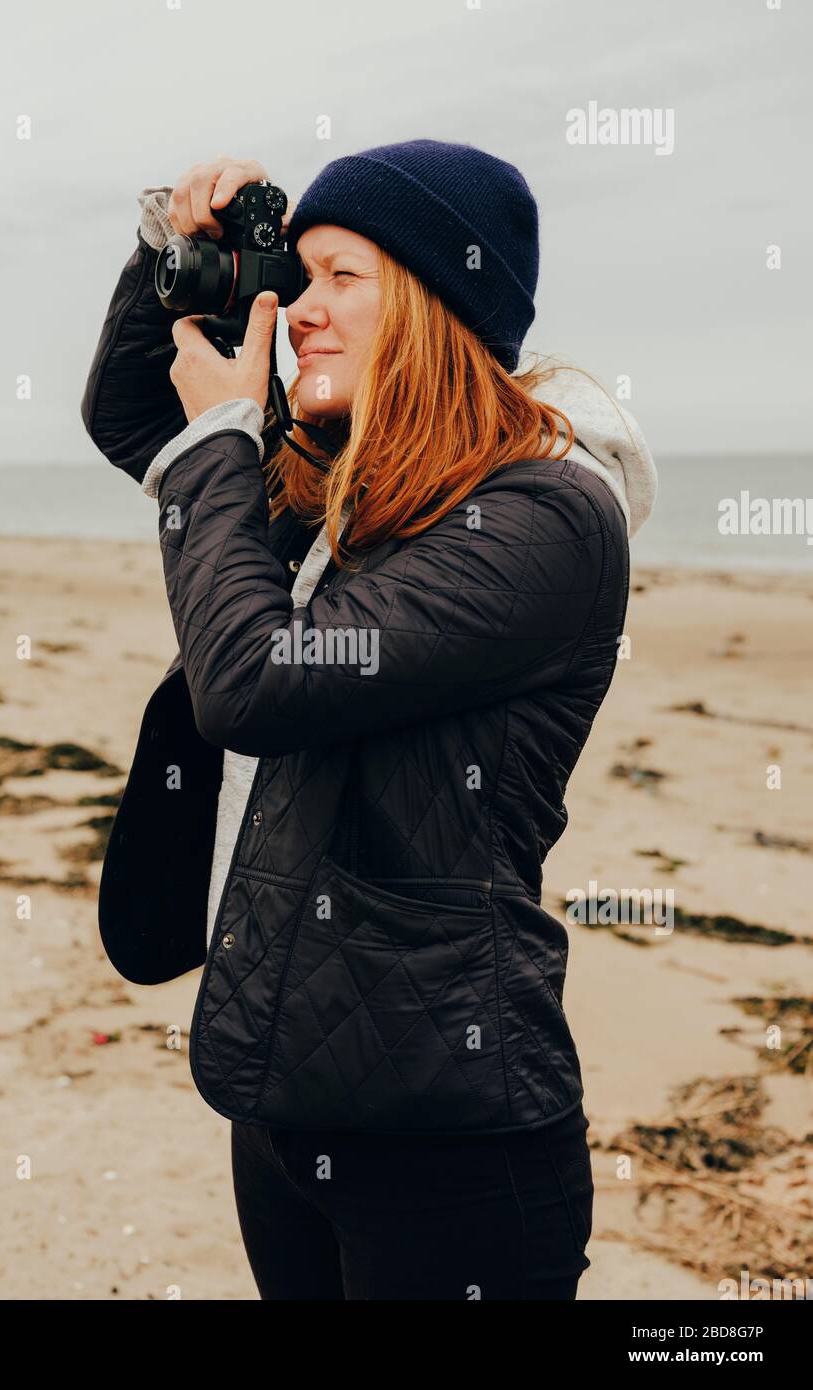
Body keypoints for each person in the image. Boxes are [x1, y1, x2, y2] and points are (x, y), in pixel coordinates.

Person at [81, 140, 657, 1301]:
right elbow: (138, 414)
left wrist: (225, 444)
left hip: (449, 1140)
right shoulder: (344, 482)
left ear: (445, 304)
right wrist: (183, 253)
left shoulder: (545, 516)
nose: (300, 312)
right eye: (297, 279)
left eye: (346, 278)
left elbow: (257, 679)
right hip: (286, 1093)